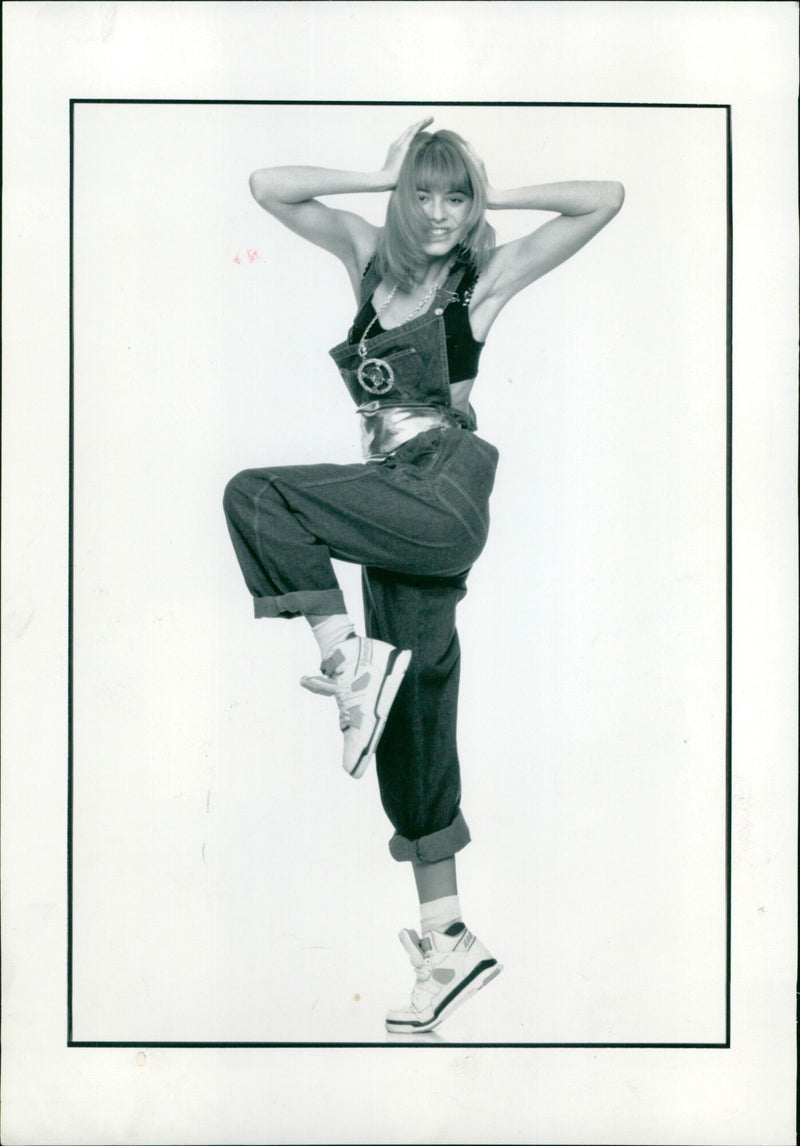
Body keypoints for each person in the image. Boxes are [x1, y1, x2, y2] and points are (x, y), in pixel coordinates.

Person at [223, 117, 624, 1034]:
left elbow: (604, 200)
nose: (442, 213)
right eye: (427, 193)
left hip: (439, 494)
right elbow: (267, 184)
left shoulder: (481, 280)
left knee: (258, 494)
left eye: (456, 196)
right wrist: (381, 173)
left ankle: (343, 656)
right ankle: (446, 939)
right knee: (414, 724)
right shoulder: (365, 258)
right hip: (393, 513)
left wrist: (490, 194)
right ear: (401, 198)